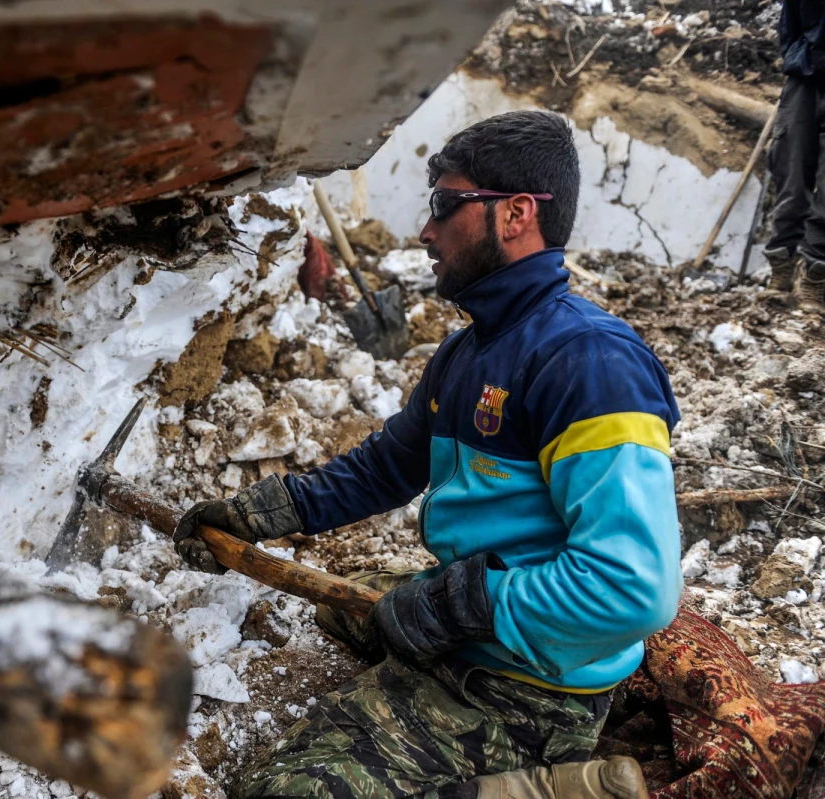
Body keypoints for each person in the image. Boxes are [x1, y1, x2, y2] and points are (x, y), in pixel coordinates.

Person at [174, 110, 683, 799]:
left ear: (517, 215)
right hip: (494, 622)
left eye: (447, 206)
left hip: (529, 681)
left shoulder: (588, 362)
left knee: (282, 790)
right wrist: (263, 511)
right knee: (349, 608)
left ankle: (543, 785)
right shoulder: (472, 348)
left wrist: (456, 608)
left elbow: (633, 587)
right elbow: (390, 465)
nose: (426, 230)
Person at [765, 0, 825, 310]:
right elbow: (788, 25)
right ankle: (781, 271)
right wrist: (796, 58)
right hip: (804, 79)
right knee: (790, 174)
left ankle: (815, 281)